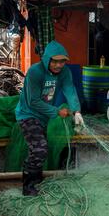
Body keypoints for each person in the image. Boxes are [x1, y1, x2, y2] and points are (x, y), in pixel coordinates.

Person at [15, 40, 85, 196]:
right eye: (55, 61)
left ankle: (36, 183)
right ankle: (29, 187)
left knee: (40, 150)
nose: (59, 65)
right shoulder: (35, 72)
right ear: (47, 59)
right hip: (28, 114)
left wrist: (76, 111)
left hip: (44, 117)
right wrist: (56, 111)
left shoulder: (65, 73)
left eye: (62, 61)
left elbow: (70, 90)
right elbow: (33, 101)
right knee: (40, 148)